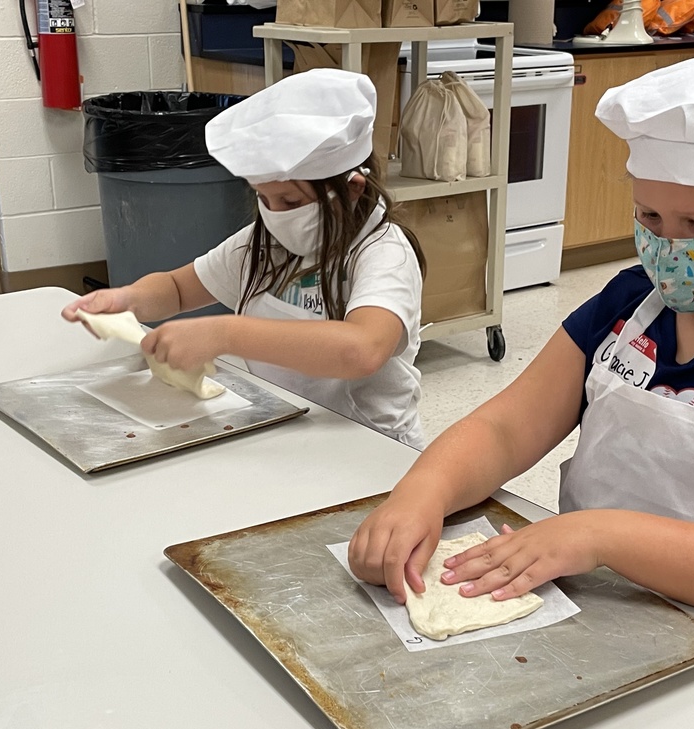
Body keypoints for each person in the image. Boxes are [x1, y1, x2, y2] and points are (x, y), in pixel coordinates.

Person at [348, 54, 694, 647]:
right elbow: (505, 429)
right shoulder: (631, 304)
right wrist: (422, 493)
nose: (670, 246)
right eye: (649, 215)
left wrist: (601, 537)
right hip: (602, 617)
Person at [62, 69, 427, 449]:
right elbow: (177, 288)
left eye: (290, 201)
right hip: (289, 430)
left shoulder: (384, 253)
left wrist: (224, 334)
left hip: (372, 447)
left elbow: (361, 350)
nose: (276, 214)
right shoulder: (265, 244)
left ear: (351, 189)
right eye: (263, 199)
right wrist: (127, 300)